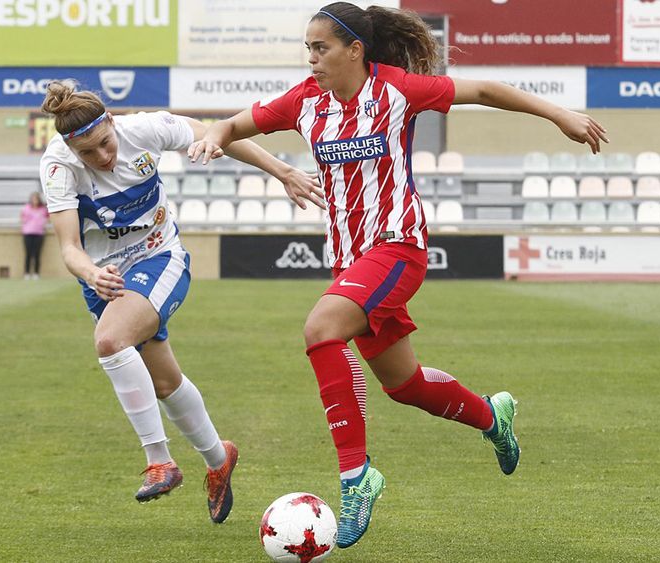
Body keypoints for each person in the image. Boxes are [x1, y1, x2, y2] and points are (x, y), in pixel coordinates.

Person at [189, 1, 609, 548]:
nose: (311, 59)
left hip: (397, 246)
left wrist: (559, 114)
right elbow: (233, 124)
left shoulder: (397, 90)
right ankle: (492, 416)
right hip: (350, 257)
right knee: (404, 386)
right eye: (308, 49)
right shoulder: (305, 101)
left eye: (321, 48)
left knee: (321, 329)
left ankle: (356, 475)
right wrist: (213, 137)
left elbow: (480, 91)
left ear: (355, 50)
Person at [38, 80, 320, 524]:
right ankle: (218, 459)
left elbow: (216, 135)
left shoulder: (146, 129)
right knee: (165, 384)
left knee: (110, 342)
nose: (102, 157)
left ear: (113, 123)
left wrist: (282, 171)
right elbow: (70, 248)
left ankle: (160, 461)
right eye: (88, 153)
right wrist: (91, 273)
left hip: (159, 256)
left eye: (105, 143)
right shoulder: (57, 166)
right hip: (105, 278)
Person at [20, 191, 49, 279]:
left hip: (39, 233)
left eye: (36, 199)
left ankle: (36, 273)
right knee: (28, 254)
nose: (35, 200)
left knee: (37, 254)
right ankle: (27, 273)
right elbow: (22, 218)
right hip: (28, 233)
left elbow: (49, 217)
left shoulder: (43, 209)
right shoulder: (26, 208)